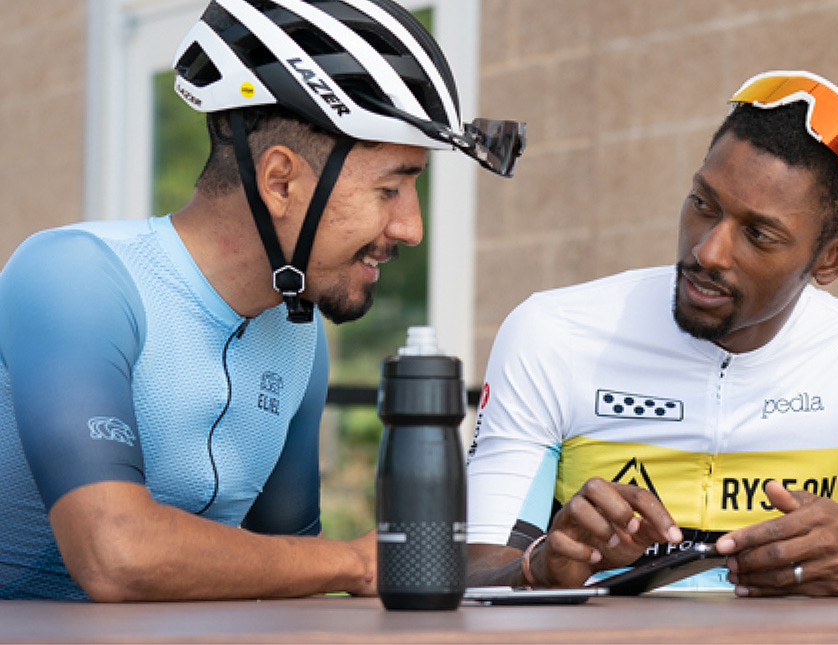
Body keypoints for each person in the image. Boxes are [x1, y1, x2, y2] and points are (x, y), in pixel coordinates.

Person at [0, 0, 523, 601]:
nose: (411, 227)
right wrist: (353, 564)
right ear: (280, 180)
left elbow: (290, 570)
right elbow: (115, 553)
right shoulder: (76, 277)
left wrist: (530, 567)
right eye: (389, 188)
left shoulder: (299, 337)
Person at [465, 70, 838, 596]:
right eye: (704, 205)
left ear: (833, 259)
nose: (708, 251)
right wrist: (541, 566)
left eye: (759, 234)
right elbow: (474, 574)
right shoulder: (555, 332)